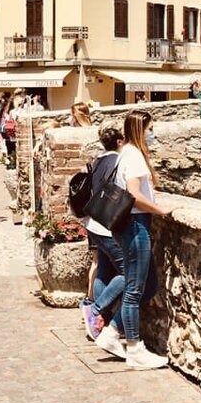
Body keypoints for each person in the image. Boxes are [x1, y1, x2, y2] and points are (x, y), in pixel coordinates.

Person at [107, 110, 177, 369]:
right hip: (136, 225)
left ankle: (112, 331)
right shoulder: (135, 156)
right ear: (141, 129)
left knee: (147, 285)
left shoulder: (124, 153)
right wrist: (159, 210)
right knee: (135, 290)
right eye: (150, 129)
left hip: (130, 225)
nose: (152, 134)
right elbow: (133, 195)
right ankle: (134, 348)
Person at [81, 128, 127, 358]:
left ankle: (98, 321)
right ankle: (97, 313)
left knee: (104, 270)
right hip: (108, 225)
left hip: (92, 220)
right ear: (119, 141)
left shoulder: (97, 161)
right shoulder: (119, 162)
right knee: (129, 272)